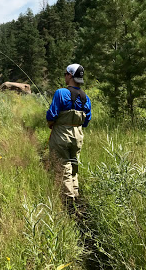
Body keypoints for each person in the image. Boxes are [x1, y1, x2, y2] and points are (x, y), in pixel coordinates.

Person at [46, 63, 92, 208]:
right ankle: (75, 195)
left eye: (66, 73)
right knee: (74, 165)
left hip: (61, 135)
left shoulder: (60, 93)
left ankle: (68, 202)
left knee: (63, 166)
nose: (64, 76)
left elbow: (51, 115)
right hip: (78, 135)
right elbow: (86, 121)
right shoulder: (86, 98)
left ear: (70, 75)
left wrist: (52, 124)